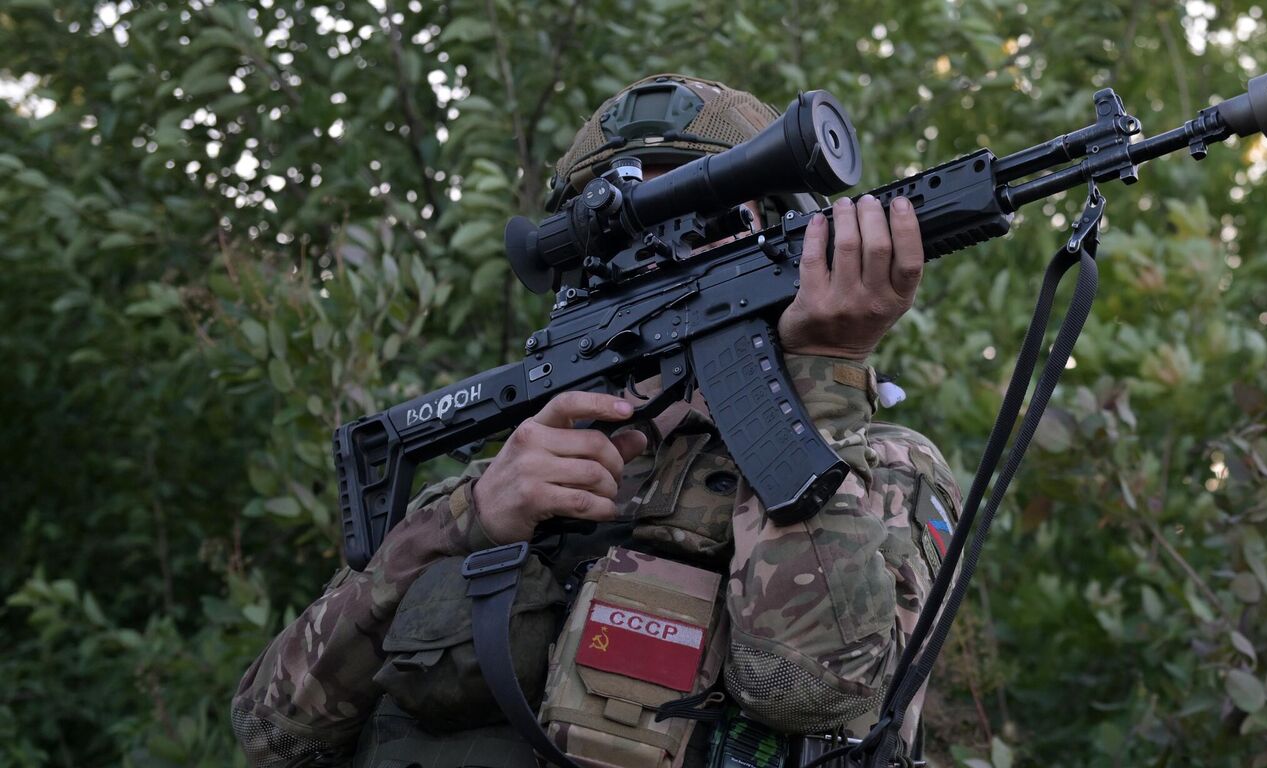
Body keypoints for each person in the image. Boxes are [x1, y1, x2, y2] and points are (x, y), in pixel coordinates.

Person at [231, 74, 958, 768]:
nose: (662, 247)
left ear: (792, 233)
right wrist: (468, 519)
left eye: (710, 213)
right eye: (627, 222)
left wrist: (822, 378)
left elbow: (811, 689)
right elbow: (272, 734)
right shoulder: (500, 486)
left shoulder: (882, 470)